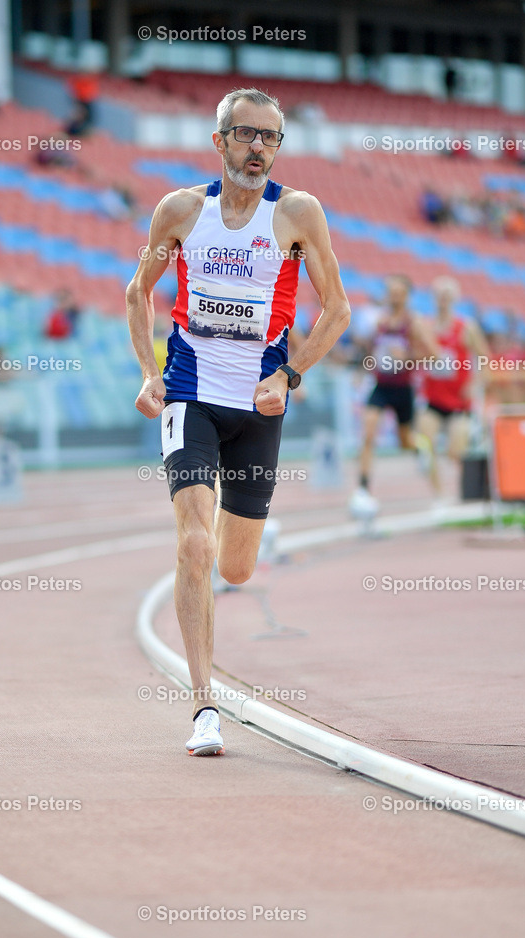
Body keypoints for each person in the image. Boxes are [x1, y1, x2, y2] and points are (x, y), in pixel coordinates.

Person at [126, 87, 350, 756]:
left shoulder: (297, 214)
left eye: (270, 138)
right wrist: (148, 371)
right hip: (190, 392)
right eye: (246, 135)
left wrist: (290, 373)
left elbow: (336, 310)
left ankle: (236, 523)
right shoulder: (180, 211)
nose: (258, 149)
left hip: (258, 405)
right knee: (192, 547)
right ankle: (204, 707)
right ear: (218, 140)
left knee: (237, 566)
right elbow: (139, 291)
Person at [350, 274, 437, 516]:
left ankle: (419, 448)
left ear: (407, 296)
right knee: (368, 433)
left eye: (399, 293)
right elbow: (372, 351)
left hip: (403, 388)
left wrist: (407, 358)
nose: (394, 297)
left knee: (404, 442)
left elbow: (434, 355)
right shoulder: (379, 321)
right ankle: (363, 488)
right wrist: (361, 369)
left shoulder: (414, 323)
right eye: (391, 292)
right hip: (381, 385)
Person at [418, 277, 489, 501]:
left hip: (459, 402)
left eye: (447, 296)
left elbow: (485, 358)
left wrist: (476, 383)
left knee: (455, 453)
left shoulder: (466, 328)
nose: (442, 300)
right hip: (433, 400)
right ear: (433, 298)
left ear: (454, 299)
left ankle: (468, 492)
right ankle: (439, 495)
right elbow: (416, 357)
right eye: (439, 295)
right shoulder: (426, 328)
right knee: (424, 445)